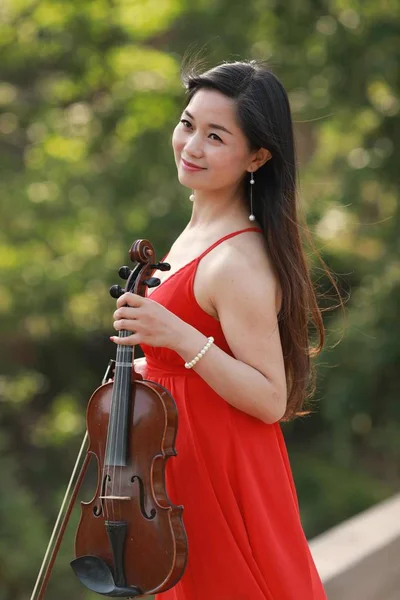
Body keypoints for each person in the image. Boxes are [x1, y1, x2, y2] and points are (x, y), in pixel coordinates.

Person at [110, 59, 334, 600]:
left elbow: (270, 397)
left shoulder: (237, 259)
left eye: (216, 136)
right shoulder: (194, 232)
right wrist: (145, 363)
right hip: (176, 469)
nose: (191, 145)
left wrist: (177, 337)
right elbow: (183, 359)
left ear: (257, 156)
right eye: (188, 124)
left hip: (219, 473)